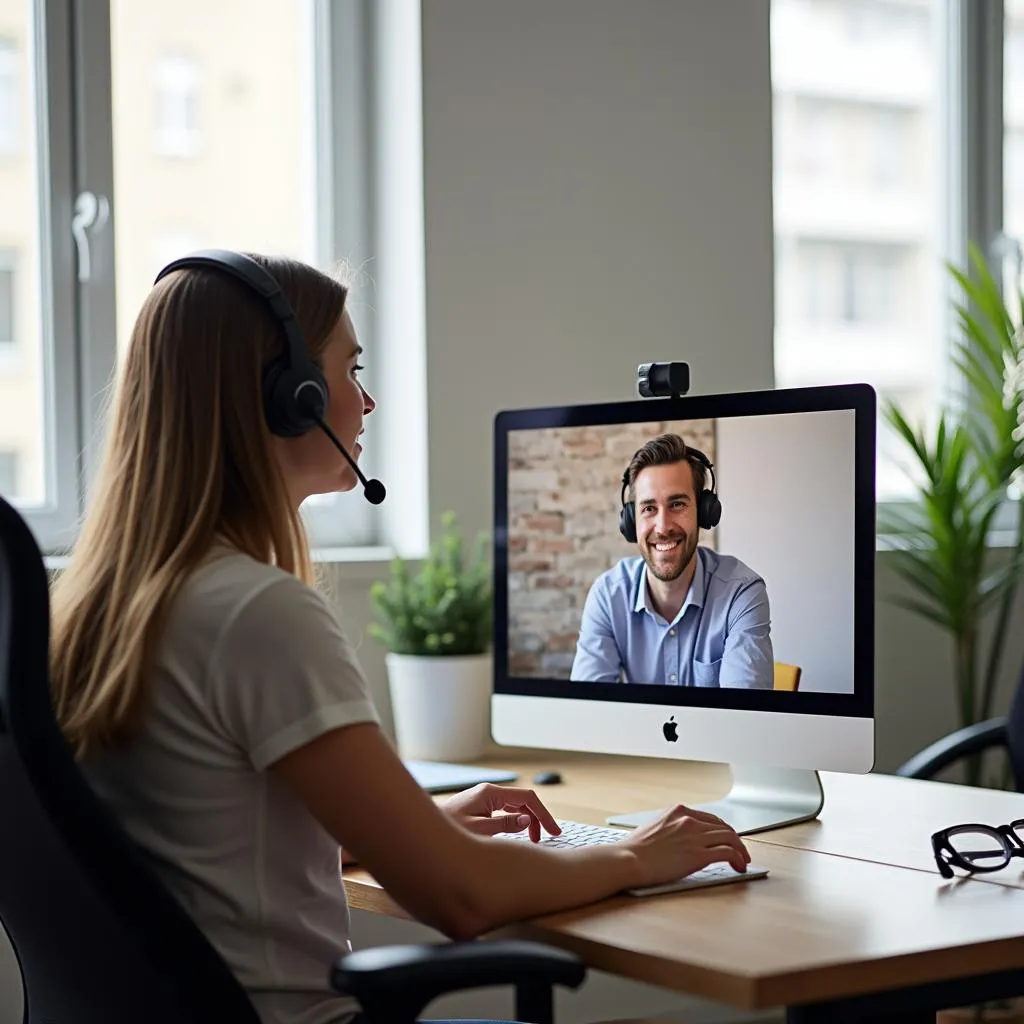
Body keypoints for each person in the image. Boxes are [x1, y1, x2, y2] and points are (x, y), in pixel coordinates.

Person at [47, 253, 751, 1024]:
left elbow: (199, 844)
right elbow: (462, 896)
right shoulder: (257, 614)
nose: (368, 399)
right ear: (291, 398)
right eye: (350, 370)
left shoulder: (99, 608)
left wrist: (417, 829)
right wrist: (634, 856)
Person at [570, 433, 773, 688]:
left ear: (703, 511)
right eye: (649, 508)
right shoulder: (608, 595)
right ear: (632, 522)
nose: (663, 527)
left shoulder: (741, 593)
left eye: (677, 504)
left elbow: (744, 719)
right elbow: (591, 711)